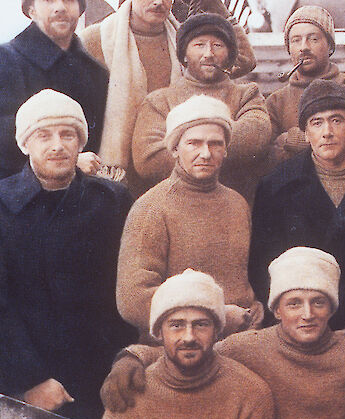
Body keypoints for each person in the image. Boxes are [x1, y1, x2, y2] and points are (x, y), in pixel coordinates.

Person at [103, 247, 345, 419]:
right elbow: (188, 354)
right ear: (277, 310)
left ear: (332, 308)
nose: (307, 314)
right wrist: (129, 358)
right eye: (294, 303)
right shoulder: (247, 347)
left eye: (318, 302)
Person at [0, 89, 136, 419]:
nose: (57, 145)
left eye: (68, 134)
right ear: (24, 144)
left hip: (101, 374)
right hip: (26, 379)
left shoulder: (112, 201)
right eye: (43, 135)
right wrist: (30, 381)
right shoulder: (2, 204)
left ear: (80, 142)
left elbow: (124, 287)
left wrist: (124, 358)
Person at [250, 79, 345, 330]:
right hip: (305, 324)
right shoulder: (276, 186)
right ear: (305, 133)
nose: (327, 132)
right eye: (316, 123)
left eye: (336, 120)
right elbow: (262, 267)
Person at [117, 95, 262, 343]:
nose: (205, 153)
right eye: (194, 143)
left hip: (243, 339)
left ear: (226, 149)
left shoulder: (237, 203)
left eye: (215, 144)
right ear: (174, 149)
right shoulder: (151, 207)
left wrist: (255, 305)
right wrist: (218, 316)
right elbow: (133, 299)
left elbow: (243, 276)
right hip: (180, 348)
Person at [78, 0, 256, 179]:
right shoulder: (96, 40)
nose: (157, 2)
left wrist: (215, 6)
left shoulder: (184, 40)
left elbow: (243, 61)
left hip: (166, 164)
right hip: (114, 172)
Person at [102, 269, 276, 419]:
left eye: (201, 325)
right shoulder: (128, 393)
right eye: (176, 325)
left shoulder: (251, 393)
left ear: (217, 331)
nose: (189, 337)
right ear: (159, 332)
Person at [130, 13, 270, 200]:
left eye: (218, 45)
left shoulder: (247, 95)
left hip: (235, 203)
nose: (208, 54)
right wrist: (219, 144)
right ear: (184, 55)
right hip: (175, 205)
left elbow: (255, 139)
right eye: (199, 45)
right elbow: (148, 160)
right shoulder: (159, 100)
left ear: (229, 55)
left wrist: (184, 143)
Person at [0, 0, 107, 179]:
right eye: (49, 0)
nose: (60, 7)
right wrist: (67, 161)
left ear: (80, 9)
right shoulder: (6, 61)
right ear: (31, 10)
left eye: (69, 0)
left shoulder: (96, 72)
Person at [266, 6, 345, 166]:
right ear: (289, 49)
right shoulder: (276, 101)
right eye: (295, 40)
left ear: (329, 45)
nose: (304, 47)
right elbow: (270, 156)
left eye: (313, 39)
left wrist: (290, 139)